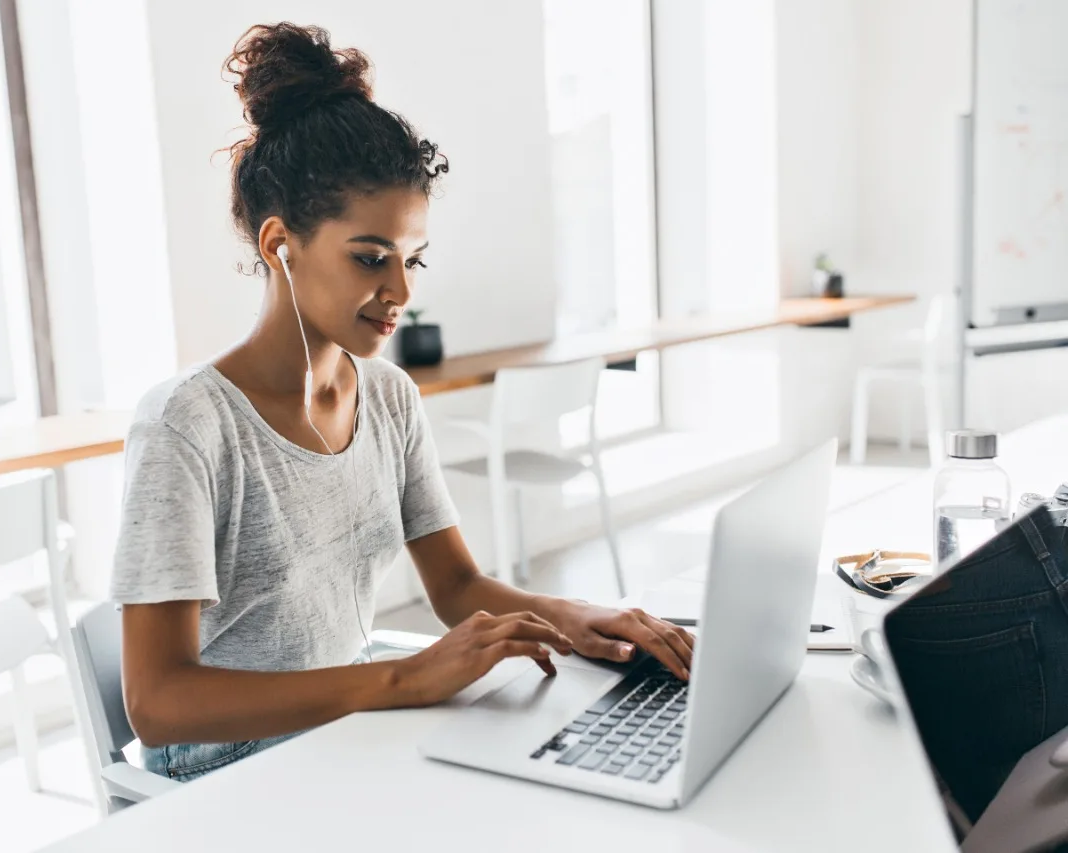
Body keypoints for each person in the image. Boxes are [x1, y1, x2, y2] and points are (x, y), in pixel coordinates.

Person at [110, 22, 695, 783]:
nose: (402, 291)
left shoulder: (385, 396)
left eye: (411, 258)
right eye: (369, 257)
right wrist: (401, 679)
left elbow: (455, 587)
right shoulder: (188, 425)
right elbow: (158, 702)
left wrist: (577, 616)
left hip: (342, 733)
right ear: (279, 243)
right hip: (227, 774)